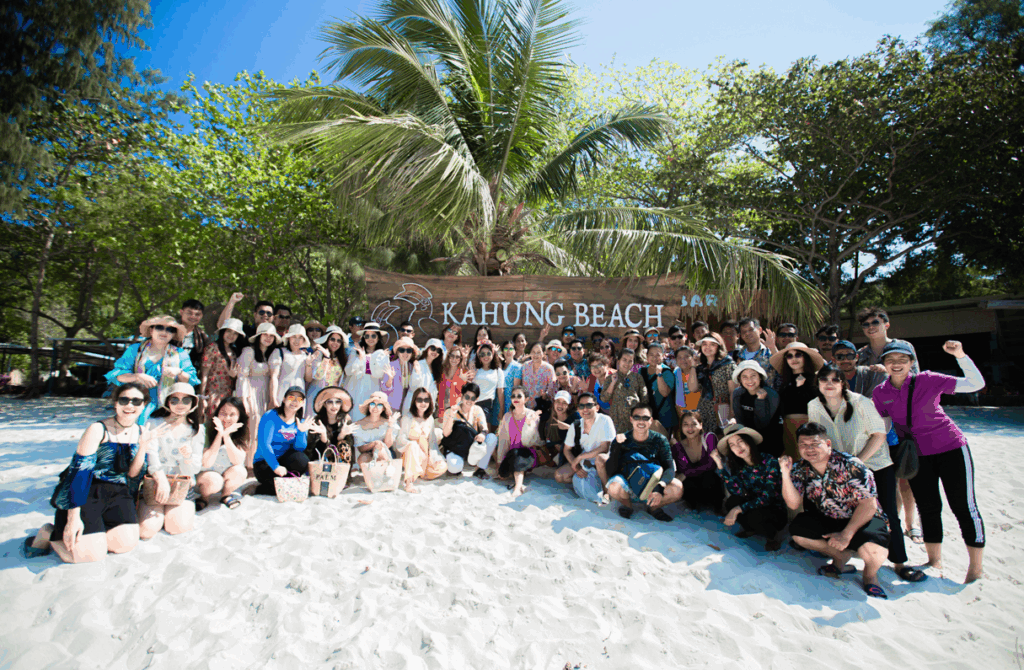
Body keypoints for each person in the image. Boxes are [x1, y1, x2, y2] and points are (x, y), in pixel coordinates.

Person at [873, 340, 987, 583]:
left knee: (964, 507)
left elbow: (976, 384)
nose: (896, 364)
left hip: (951, 448)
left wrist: (960, 355)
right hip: (917, 456)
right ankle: (934, 560)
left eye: (902, 360)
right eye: (890, 360)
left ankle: (976, 569)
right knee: (928, 507)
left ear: (911, 363)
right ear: (883, 364)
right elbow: (883, 427)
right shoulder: (880, 393)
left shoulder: (928, 379)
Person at [808, 366, 926, 583]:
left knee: (889, 512)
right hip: (841, 468)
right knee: (848, 512)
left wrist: (858, 462)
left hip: (875, 464)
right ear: (818, 384)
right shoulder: (813, 406)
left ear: (843, 382)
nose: (830, 384)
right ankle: (847, 557)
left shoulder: (861, 402)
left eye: (835, 379)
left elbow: (879, 433)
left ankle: (900, 563)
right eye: (824, 380)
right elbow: (820, 437)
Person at [26, 383, 152, 562]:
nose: (130, 405)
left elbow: (132, 475)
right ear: (116, 403)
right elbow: (78, 474)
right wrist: (73, 518)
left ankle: (94, 536)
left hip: (118, 492)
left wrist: (143, 446)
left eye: (136, 401)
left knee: (124, 544)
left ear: (144, 406)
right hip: (87, 491)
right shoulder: (97, 429)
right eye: (124, 400)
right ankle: (48, 533)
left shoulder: (141, 432)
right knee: (90, 556)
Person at [781, 423, 893, 599]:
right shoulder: (801, 469)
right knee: (798, 531)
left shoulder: (851, 465)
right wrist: (785, 475)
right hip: (830, 516)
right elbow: (793, 504)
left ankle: (870, 577)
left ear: (828, 444)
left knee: (873, 552)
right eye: (803, 444)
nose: (809, 449)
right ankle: (840, 557)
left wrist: (846, 534)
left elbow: (868, 505)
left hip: (863, 517)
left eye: (815, 444)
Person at [139, 383, 205, 539]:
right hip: (154, 483)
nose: (180, 405)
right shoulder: (154, 422)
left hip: (181, 485)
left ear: (193, 403)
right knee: (146, 530)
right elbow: (150, 454)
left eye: (185, 400)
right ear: (167, 402)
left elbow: (194, 469)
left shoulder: (197, 429)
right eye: (174, 400)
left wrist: (187, 457)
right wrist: (160, 479)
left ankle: (169, 512)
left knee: (177, 528)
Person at [107, 315, 200, 424]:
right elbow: (116, 375)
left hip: (168, 408)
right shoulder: (135, 350)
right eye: (159, 327)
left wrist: (179, 372)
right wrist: (137, 376)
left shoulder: (180, 354)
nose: (164, 332)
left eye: (170, 329)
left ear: (173, 334)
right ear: (151, 330)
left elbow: (191, 380)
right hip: (137, 405)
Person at [600, 405, 683, 521]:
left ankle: (653, 507)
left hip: (651, 486)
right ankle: (627, 505)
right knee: (613, 486)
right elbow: (611, 470)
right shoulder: (622, 439)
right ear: (631, 419)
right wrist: (617, 447)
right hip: (628, 487)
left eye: (645, 418)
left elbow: (669, 467)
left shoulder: (660, 440)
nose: (641, 421)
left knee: (677, 487)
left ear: (651, 421)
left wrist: (660, 486)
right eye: (637, 417)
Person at [710, 424, 785, 550]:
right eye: (732, 445)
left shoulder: (769, 461)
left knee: (756, 514)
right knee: (731, 502)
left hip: (773, 510)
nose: (738, 447)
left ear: (749, 442)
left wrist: (739, 509)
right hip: (752, 505)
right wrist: (719, 465)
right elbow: (736, 490)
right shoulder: (739, 466)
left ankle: (771, 537)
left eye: (740, 442)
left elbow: (768, 497)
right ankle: (750, 529)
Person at [252, 385, 313, 495]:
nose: (294, 401)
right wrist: (275, 466)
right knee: (278, 488)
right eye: (291, 397)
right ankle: (258, 488)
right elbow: (264, 444)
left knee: (302, 460)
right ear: (284, 399)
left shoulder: (301, 422)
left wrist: (301, 431)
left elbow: (299, 448)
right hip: (265, 462)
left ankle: (281, 481)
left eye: (299, 399)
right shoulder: (270, 416)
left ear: (303, 403)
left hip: (284, 462)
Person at [768, 341, 824, 458]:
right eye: (789, 356)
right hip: (787, 428)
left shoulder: (815, 379)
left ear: (806, 357)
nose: (793, 359)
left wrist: (801, 387)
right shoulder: (783, 380)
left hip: (809, 427)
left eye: (798, 354)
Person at [236, 323, 283, 454]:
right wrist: (243, 398)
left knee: (264, 428)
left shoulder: (272, 354)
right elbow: (242, 376)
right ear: (258, 336)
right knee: (251, 425)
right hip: (250, 391)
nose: (268, 338)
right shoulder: (248, 351)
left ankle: (259, 459)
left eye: (271, 336)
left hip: (266, 392)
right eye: (265, 335)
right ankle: (247, 462)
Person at [197, 397, 250, 510]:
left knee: (240, 471)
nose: (227, 418)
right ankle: (204, 497)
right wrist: (219, 434)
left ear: (239, 416)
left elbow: (237, 461)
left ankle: (225, 495)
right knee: (214, 480)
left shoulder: (242, 430)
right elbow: (206, 463)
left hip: (225, 474)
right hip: (205, 477)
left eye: (232, 414)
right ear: (217, 413)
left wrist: (226, 436)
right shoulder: (205, 429)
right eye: (223, 413)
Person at [554, 391, 615, 486]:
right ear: (578, 409)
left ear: (597, 407)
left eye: (589, 405)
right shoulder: (576, 425)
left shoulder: (605, 420)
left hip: (605, 460)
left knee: (600, 459)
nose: (585, 409)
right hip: (586, 461)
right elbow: (567, 449)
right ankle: (593, 483)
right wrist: (577, 467)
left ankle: (606, 489)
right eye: (581, 406)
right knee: (559, 476)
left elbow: (604, 448)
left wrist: (580, 457)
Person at [395, 388, 448, 492]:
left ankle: (421, 472)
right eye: (419, 400)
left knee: (443, 465)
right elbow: (400, 439)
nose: (423, 403)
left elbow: (432, 443)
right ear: (414, 401)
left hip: (424, 457)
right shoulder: (407, 418)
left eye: (426, 400)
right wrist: (411, 443)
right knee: (413, 446)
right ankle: (409, 483)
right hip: (410, 455)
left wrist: (435, 457)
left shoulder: (430, 419)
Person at [670, 411, 725, 512]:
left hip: (712, 486)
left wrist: (686, 474)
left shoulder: (709, 438)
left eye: (694, 424)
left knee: (709, 477)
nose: (690, 428)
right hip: (693, 490)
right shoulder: (678, 447)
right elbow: (683, 468)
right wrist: (686, 473)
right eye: (685, 425)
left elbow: (711, 465)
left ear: (700, 425)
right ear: (681, 427)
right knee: (688, 484)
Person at [440, 382, 497, 478]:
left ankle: (480, 468)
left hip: (471, 447)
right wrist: (452, 416)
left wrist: (482, 434)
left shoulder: (477, 409)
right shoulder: (450, 410)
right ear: (462, 396)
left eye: (473, 398)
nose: (469, 401)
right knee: (455, 467)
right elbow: (446, 433)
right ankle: (458, 464)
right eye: (467, 397)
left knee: (492, 438)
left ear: (477, 399)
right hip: (456, 447)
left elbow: (484, 428)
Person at [495, 387, 544, 497]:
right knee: (502, 475)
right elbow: (503, 440)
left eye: (519, 396)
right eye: (513, 396)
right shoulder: (507, 416)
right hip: (512, 453)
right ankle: (519, 472)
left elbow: (533, 440)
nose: (515, 398)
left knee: (518, 457)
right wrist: (499, 461)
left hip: (529, 453)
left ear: (526, 399)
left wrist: (529, 424)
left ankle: (518, 487)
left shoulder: (531, 415)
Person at [730, 360, 782, 456]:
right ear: (740, 380)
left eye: (753, 376)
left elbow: (762, 424)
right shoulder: (738, 394)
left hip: (770, 442)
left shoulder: (772, 395)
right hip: (749, 443)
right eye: (744, 377)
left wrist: (760, 401)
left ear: (760, 377)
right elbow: (740, 420)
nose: (749, 381)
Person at [200, 317, 245, 420]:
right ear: (223, 332)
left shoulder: (234, 352)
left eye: (235, 333)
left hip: (227, 395)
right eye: (229, 331)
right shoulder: (212, 348)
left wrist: (233, 376)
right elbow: (204, 374)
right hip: (212, 394)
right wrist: (202, 397)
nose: (231, 335)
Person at [344, 321, 390, 421]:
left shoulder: (382, 354)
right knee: (353, 416)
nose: (370, 339)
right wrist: (360, 358)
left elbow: (378, 374)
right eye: (367, 336)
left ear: (378, 338)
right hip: (354, 388)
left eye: (373, 336)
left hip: (372, 389)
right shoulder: (355, 351)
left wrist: (369, 358)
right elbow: (348, 371)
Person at [695, 333, 737, 434]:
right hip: (705, 410)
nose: (707, 347)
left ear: (718, 346)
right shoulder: (701, 368)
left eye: (712, 344)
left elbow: (733, 391)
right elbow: (695, 389)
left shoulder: (728, 365)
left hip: (723, 408)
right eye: (704, 344)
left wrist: (732, 414)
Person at [304, 386, 356, 466]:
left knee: (344, 445)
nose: (334, 406)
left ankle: (344, 476)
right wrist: (323, 436)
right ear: (324, 404)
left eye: (337, 402)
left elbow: (350, 446)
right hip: (320, 461)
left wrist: (341, 436)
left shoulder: (345, 420)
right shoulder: (317, 421)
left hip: (340, 463)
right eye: (330, 402)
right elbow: (312, 448)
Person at [856, 306, 919, 372]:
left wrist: (887, 371)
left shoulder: (904, 346)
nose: (871, 327)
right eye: (866, 325)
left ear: (886, 325)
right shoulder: (861, 353)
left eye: (875, 323)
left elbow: (915, 376)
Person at [601, 348, 648, 433]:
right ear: (618, 361)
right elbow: (604, 398)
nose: (627, 363)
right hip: (617, 421)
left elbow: (645, 398)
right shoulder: (610, 378)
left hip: (634, 420)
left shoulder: (638, 377)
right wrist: (613, 383)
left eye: (630, 361)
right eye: (624, 360)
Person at [305, 325, 348, 417]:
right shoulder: (318, 353)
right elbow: (317, 376)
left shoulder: (341, 358)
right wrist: (326, 357)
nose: (335, 343)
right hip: (316, 396)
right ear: (327, 340)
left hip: (332, 400)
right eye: (332, 339)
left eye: (339, 340)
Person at [353, 391, 400, 470]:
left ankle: (383, 476)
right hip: (368, 453)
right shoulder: (359, 424)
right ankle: (371, 479)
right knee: (362, 459)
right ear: (368, 406)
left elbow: (388, 445)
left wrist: (390, 426)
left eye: (379, 405)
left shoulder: (388, 422)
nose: (375, 408)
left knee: (379, 450)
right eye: (372, 404)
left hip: (386, 453)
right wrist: (374, 444)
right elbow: (360, 449)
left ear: (383, 408)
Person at [640, 342, 677, 435]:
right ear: (647, 356)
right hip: (647, 418)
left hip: (664, 418)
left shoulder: (667, 372)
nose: (654, 358)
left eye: (658, 355)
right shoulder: (642, 371)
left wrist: (659, 375)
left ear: (663, 356)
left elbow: (664, 393)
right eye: (651, 355)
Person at [381, 336, 419, 414]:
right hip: (392, 407)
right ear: (398, 352)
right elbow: (384, 389)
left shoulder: (413, 367)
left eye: (409, 350)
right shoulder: (390, 366)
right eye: (402, 350)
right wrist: (390, 379)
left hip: (408, 407)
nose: (405, 353)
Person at [736, 317, 777, 388]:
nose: (747, 333)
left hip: (769, 396)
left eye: (751, 330)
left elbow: (782, 368)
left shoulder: (769, 352)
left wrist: (773, 348)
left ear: (760, 330)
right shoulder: (738, 355)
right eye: (744, 332)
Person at [275, 324, 311, 406]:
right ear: (288, 338)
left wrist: (309, 364)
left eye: (300, 337)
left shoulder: (306, 356)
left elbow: (308, 379)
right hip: (282, 392)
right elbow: (274, 376)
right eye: (294, 336)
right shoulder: (280, 352)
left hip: (299, 393)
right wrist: (273, 398)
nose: (297, 340)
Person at [406, 338, 444, 414]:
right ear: (427, 349)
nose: (435, 352)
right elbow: (413, 386)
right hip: (414, 406)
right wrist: (417, 373)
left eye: (438, 350)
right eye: (433, 348)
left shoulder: (436, 368)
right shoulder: (419, 364)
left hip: (427, 408)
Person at [178, 299, 209, 391]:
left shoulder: (203, 338)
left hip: (189, 383)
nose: (193, 316)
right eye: (189, 313)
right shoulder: (169, 332)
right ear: (181, 312)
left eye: (197, 314)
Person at [471, 341, 504, 428]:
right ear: (479, 356)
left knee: (484, 432)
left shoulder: (497, 371)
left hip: (486, 406)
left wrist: (501, 410)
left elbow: (500, 391)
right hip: (471, 404)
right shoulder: (475, 369)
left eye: (488, 353)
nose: (486, 356)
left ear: (493, 354)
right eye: (482, 354)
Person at [543, 390, 578, 466]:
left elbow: (585, 433)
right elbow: (553, 444)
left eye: (564, 403)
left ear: (568, 406)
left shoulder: (575, 417)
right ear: (554, 403)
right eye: (558, 401)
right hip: (562, 455)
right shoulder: (549, 422)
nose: (560, 405)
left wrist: (569, 428)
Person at [521, 342, 556, 413]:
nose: (535, 355)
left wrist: (545, 395)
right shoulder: (525, 366)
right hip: (525, 406)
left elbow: (552, 387)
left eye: (538, 352)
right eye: (533, 352)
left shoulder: (548, 368)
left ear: (544, 353)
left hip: (541, 407)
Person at [437, 345, 472, 415]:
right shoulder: (442, 370)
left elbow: (467, 393)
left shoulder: (464, 372)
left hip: (455, 410)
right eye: (452, 356)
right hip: (440, 409)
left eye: (457, 357)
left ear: (460, 358)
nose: (454, 359)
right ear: (448, 356)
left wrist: (462, 381)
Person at [673, 345, 705, 418]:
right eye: (679, 358)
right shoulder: (676, 374)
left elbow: (694, 388)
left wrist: (693, 367)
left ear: (693, 357)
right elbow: (676, 396)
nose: (683, 360)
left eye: (686, 357)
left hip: (699, 413)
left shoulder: (700, 372)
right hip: (683, 414)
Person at [499, 340, 524, 416]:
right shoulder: (500, 366)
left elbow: (516, 388)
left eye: (511, 349)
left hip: (509, 402)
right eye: (506, 349)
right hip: (498, 401)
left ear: (515, 351)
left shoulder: (517, 367)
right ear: (502, 351)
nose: (508, 351)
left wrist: (512, 406)